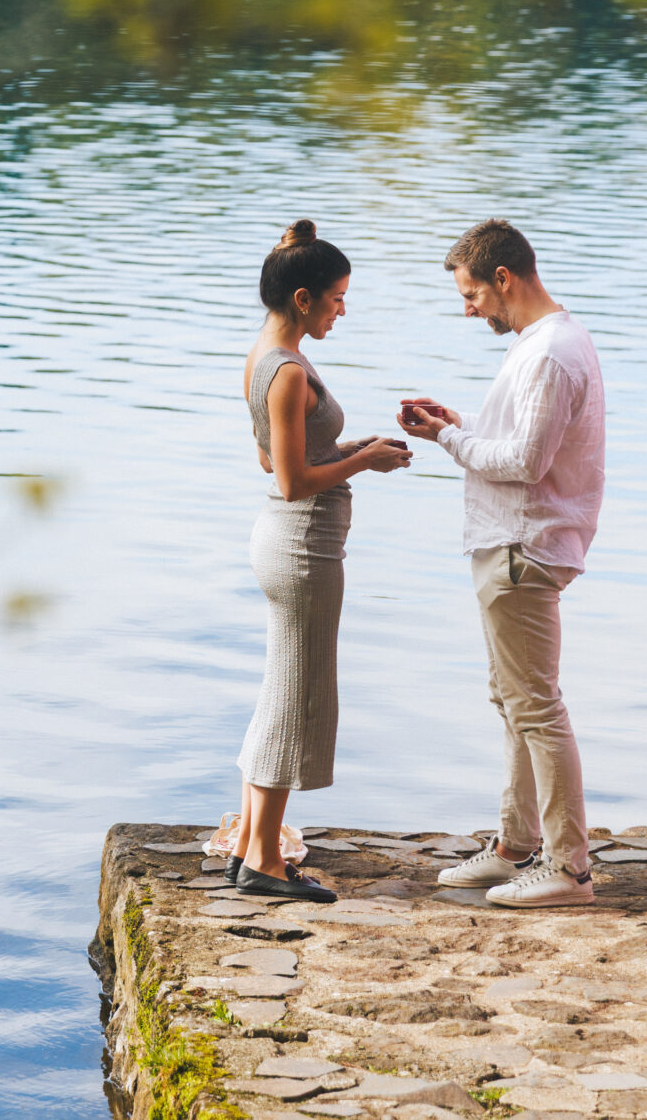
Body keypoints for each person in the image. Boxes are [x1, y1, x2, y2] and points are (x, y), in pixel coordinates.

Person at [397, 219, 607, 909]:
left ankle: (569, 869)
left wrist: (449, 439)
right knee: (512, 699)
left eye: (470, 294)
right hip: (511, 544)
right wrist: (459, 424)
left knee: (537, 706)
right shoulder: (541, 346)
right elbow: (519, 440)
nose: (468, 308)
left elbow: (523, 464)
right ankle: (515, 847)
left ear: (504, 280)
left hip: (525, 547)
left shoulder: (549, 353)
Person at [216, 221, 414, 904]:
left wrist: (349, 447)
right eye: (336, 298)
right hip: (301, 545)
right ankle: (265, 865)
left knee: (282, 691)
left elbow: (274, 455)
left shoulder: (263, 356)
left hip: (290, 543)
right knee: (294, 699)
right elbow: (291, 480)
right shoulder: (290, 370)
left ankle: (251, 843)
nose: (342, 309)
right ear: (303, 298)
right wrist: (366, 461)